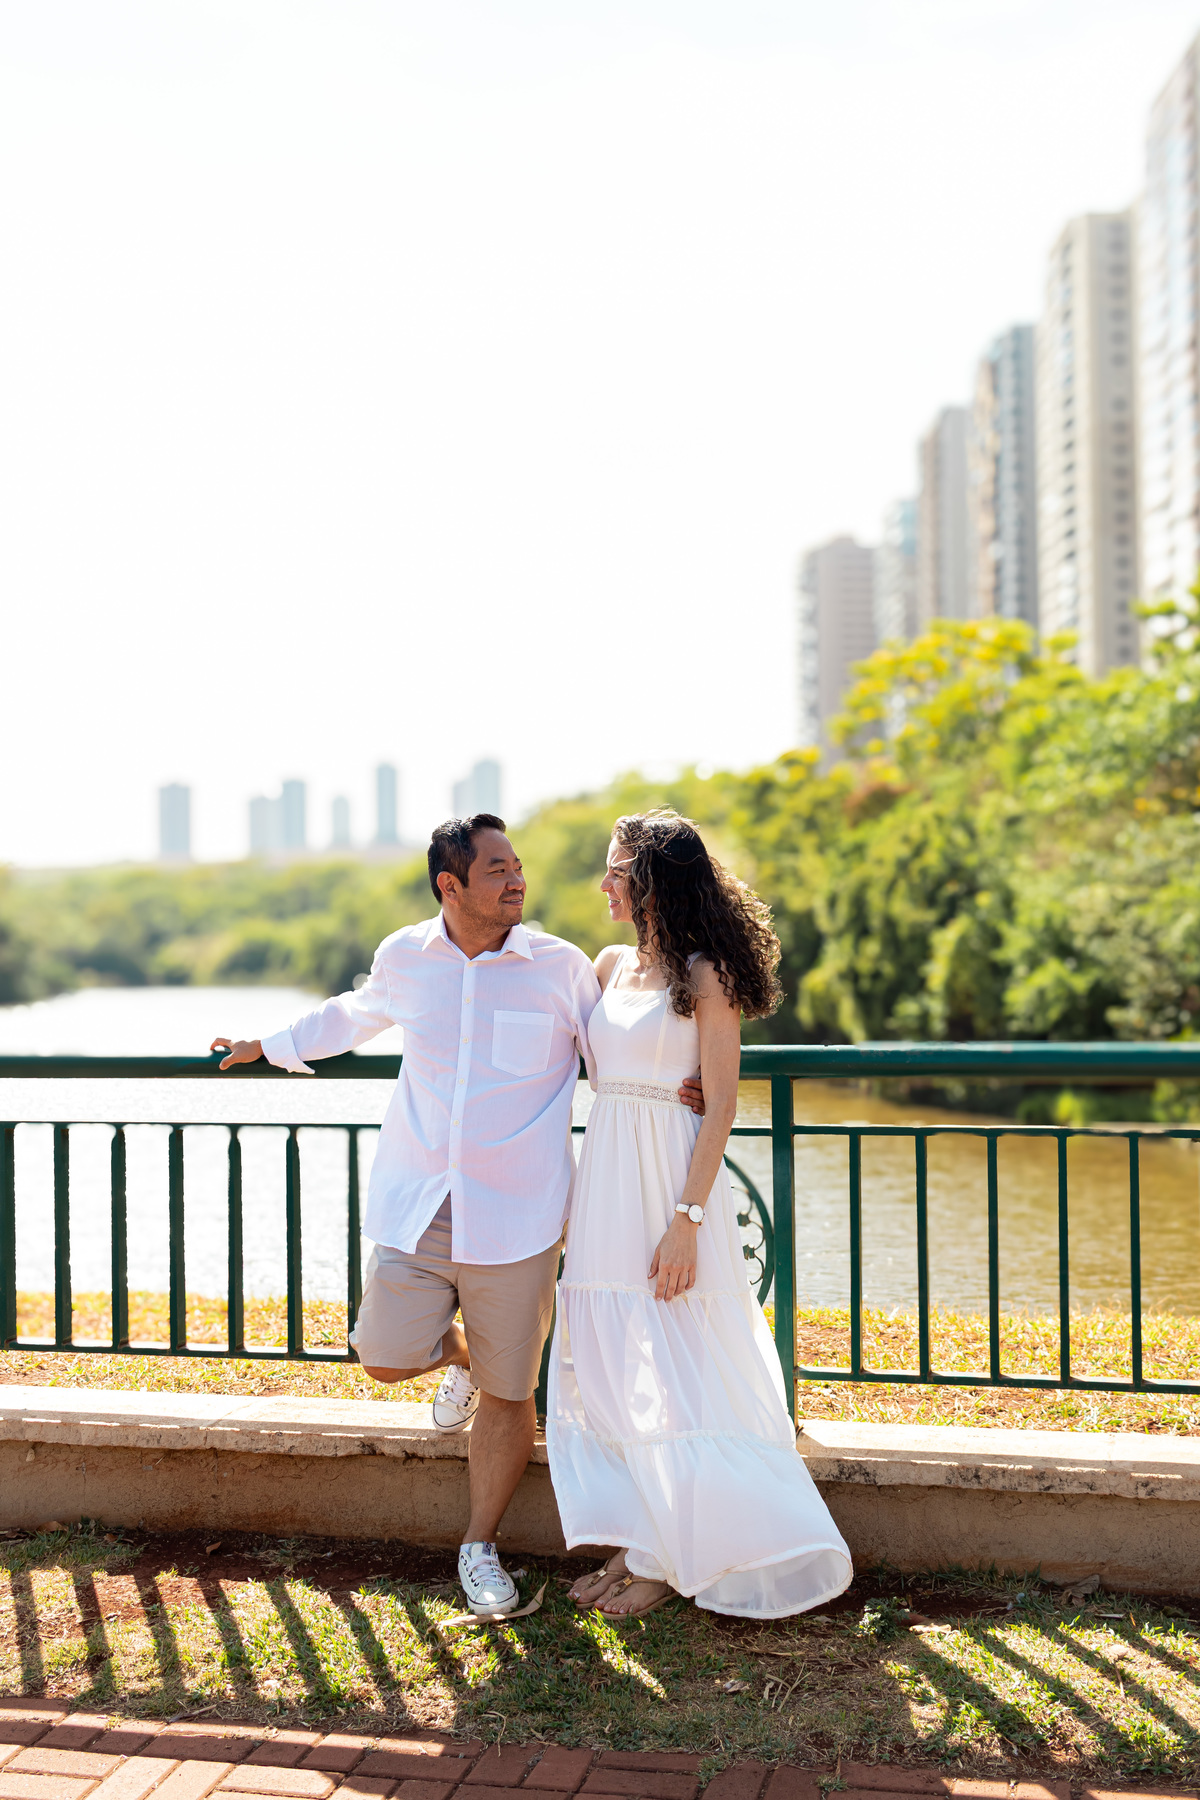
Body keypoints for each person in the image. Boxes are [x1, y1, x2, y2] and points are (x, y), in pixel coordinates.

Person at [211, 813, 701, 1618]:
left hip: (518, 1216)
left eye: (518, 866)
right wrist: (266, 1042)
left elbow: (615, 1044)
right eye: (498, 870)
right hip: (421, 1202)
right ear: (451, 885)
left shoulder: (560, 967)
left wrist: (689, 1080)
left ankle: (478, 1547)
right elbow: (352, 1014)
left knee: (514, 1396)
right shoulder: (406, 956)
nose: (517, 881)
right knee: (383, 1355)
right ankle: (467, 1360)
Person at [547, 809, 853, 1620]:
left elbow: (719, 1106)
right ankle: (643, 1534)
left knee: (681, 1355)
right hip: (608, 1175)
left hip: (672, 1187)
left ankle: (665, 1558)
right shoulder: (609, 965)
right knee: (611, 1361)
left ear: (653, 881)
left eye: (617, 869)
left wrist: (686, 1217)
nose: (604, 882)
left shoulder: (706, 973)